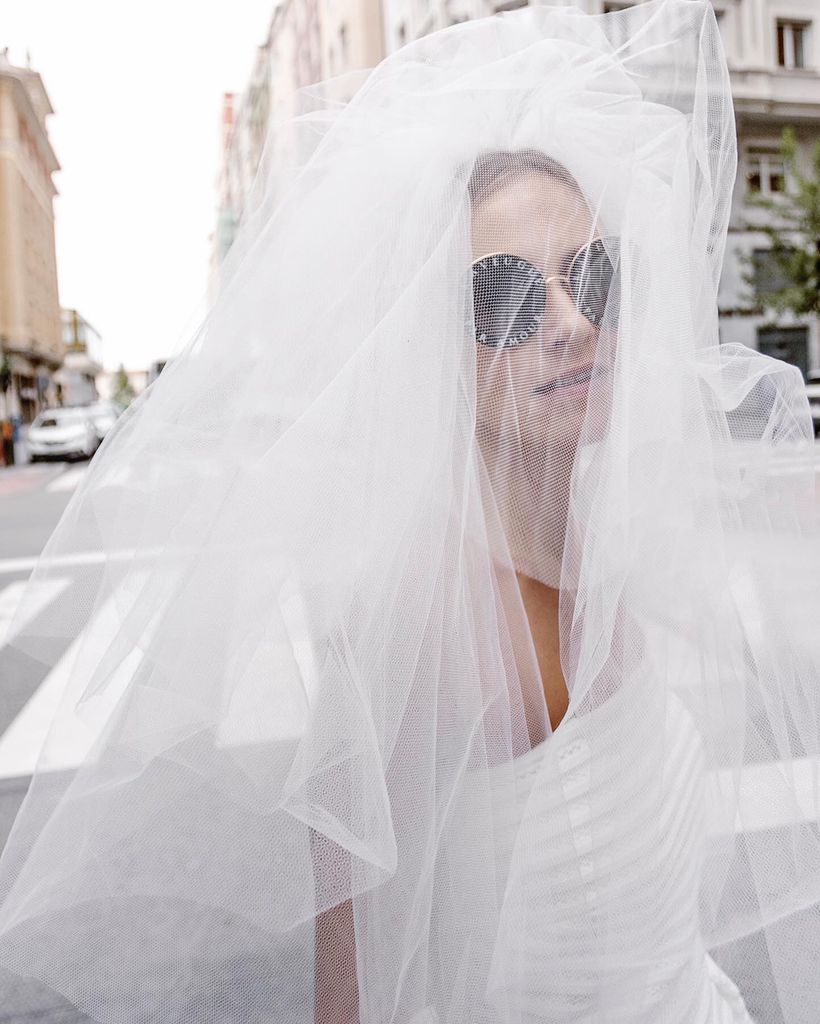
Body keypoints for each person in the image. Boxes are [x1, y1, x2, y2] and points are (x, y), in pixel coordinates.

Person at [1, 3, 819, 1022]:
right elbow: (350, 988)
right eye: (506, 298)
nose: (571, 323)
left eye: (592, 276)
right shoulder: (428, 624)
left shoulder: (586, 550)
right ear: (432, 343)